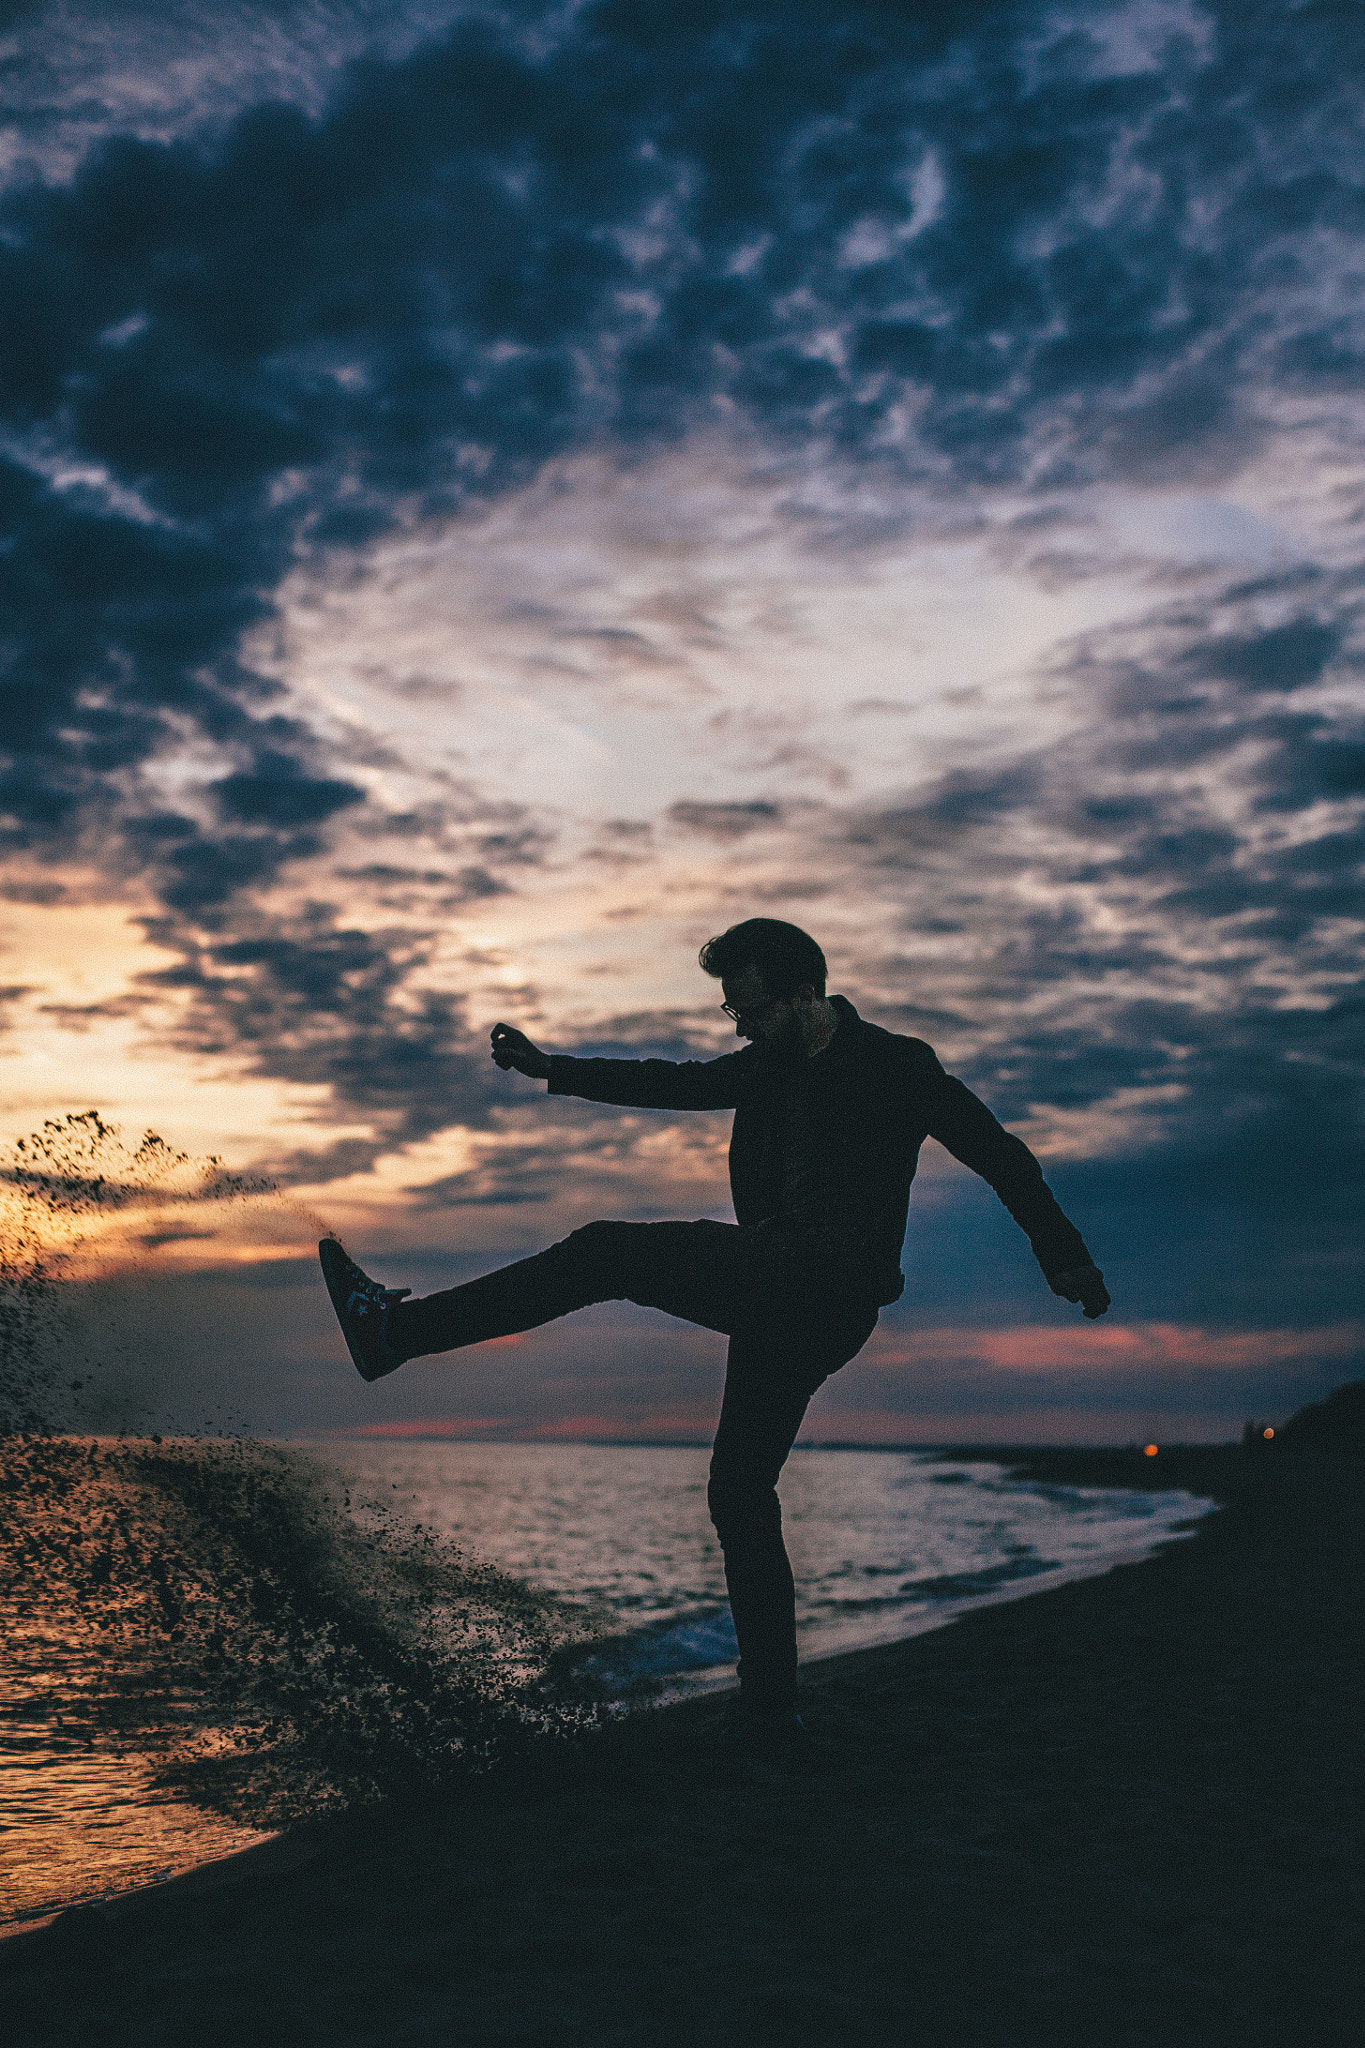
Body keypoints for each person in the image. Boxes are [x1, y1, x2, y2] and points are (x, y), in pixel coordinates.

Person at [319, 918, 1109, 1754]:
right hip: (784, 1298)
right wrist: (554, 1069)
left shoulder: (893, 1064)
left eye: (753, 1009)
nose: (743, 1027)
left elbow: (999, 1155)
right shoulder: (768, 1064)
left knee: (606, 1251)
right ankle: (769, 1712)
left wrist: (1065, 1261)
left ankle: (397, 1332)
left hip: (822, 1287)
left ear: (808, 995)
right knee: (737, 1495)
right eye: (733, 1014)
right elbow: (677, 1083)